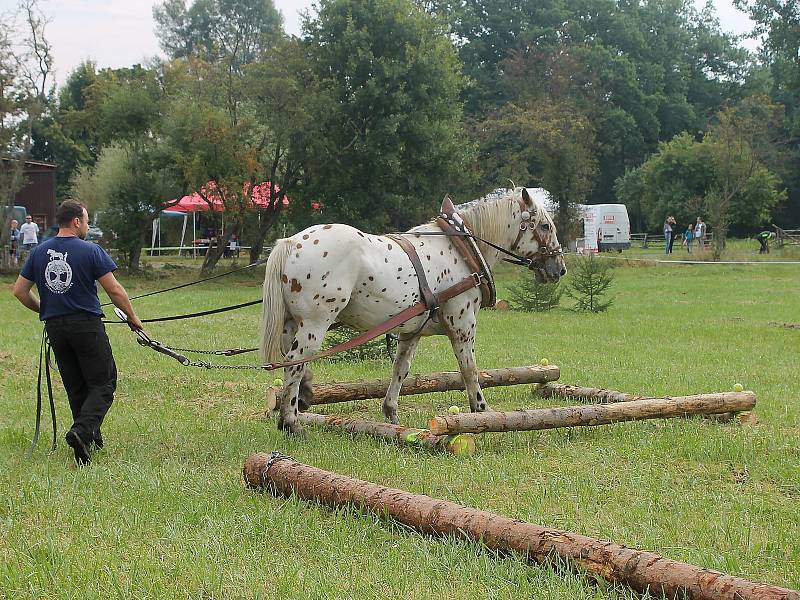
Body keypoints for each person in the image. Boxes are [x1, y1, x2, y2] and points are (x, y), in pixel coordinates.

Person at [12, 200, 143, 466]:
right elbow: (114, 290)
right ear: (76, 222)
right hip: (86, 325)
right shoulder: (91, 250)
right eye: (85, 221)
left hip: (56, 328)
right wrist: (132, 317)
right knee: (104, 383)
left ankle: (89, 439)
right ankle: (82, 432)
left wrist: (43, 309)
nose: (87, 226)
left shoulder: (38, 252)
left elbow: (19, 291)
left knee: (77, 385)